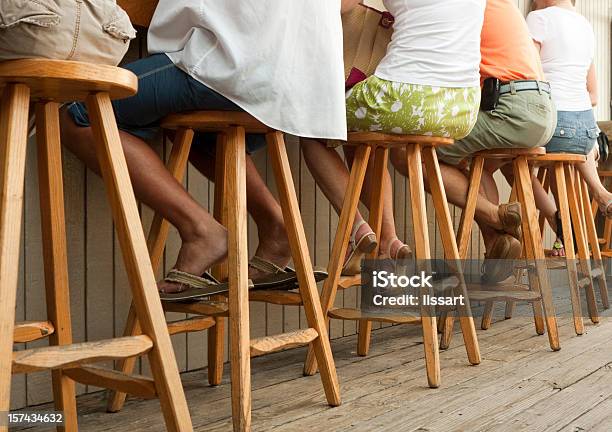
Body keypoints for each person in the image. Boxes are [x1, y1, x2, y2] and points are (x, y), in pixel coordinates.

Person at [60, 0, 348, 297]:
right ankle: (275, 224)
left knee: (80, 117)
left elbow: (180, 17)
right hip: (303, 89)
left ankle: (201, 230)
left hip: (245, 70)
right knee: (197, 134)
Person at [302, 0, 484, 274]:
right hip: (462, 107)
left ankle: (357, 228)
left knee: (310, 126)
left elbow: (338, 5)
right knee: (364, 139)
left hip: (405, 97)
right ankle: (388, 240)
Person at [391, 0, 557, 282]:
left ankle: (494, 216)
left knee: (409, 154)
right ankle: (497, 243)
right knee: (481, 166)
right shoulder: (502, 5)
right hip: (542, 108)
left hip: (510, 106)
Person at [525, 0, 612, 256]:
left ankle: (556, 219)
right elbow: (594, 95)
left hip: (553, 123)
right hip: (586, 128)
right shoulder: (585, 26)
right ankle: (601, 194)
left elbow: (529, 76)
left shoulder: (538, 19)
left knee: (512, 163)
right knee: (565, 155)